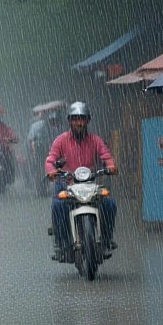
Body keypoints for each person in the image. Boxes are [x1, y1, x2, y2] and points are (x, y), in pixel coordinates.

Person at [44, 101, 117, 262]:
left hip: (90, 183)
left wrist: (110, 166)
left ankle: (106, 240)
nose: (79, 122)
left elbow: (106, 156)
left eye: (82, 119)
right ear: (69, 121)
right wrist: (51, 171)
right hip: (67, 183)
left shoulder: (95, 140)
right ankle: (62, 244)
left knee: (109, 204)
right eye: (75, 119)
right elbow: (51, 159)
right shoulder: (60, 140)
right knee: (58, 205)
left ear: (88, 120)